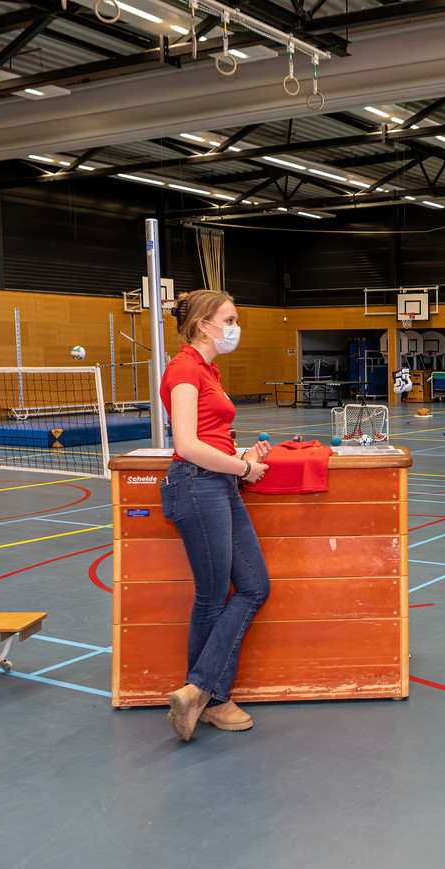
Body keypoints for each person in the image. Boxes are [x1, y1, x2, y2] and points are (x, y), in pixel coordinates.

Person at [159, 289, 272, 742]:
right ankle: (211, 699)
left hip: (218, 483)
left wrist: (241, 455)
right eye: (229, 320)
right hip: (197, 484)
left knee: (254, 586)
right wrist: (244, 468)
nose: (234, 328)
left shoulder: (209, 369)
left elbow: (210, 437)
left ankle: (198, 692)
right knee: (212, 595)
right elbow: (187, 445)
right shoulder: (184, 368)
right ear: (203, 325)